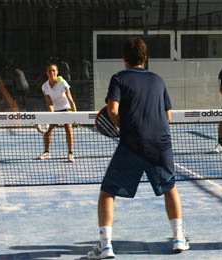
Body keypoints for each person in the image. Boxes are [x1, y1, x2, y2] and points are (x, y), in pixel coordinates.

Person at [87, 38, 189, 259]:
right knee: (170, 188)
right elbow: (167, 116)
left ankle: (105, 247)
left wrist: (126, 127)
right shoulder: (158, 80)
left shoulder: (118, 78)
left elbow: (112, 111)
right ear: (145, 58)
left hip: (132, 144)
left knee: (107, 193)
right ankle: (179, 238)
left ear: (124, 58)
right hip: (160, 143)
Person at [37, 63, 78, 163]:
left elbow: (70, 99)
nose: (52, 72)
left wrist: (77, 116)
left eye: (54, 70)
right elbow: (49, 102)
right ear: (47, 73)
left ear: (57, 72)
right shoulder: (45, 86)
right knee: (48, 131)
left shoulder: (62, 82)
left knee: (68, 129)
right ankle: (46, 152)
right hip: (54, 110)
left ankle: (70, 154)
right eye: (50, 71)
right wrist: (52, 115)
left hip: (66, 108)